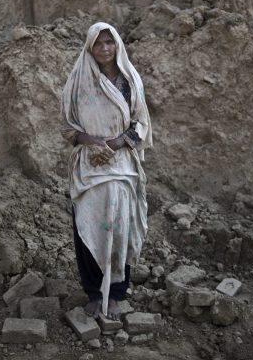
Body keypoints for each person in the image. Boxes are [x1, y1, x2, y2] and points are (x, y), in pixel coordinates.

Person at [60, 22, 152, 320]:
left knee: (119, 229)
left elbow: (140, 123)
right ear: (90, 47)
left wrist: (114, 143)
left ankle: (114, 293)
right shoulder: (78, 80)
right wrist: (91, 142)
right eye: (98, 44)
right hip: (89, 164)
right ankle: (92, 291)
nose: (104, 48)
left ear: (117, 46)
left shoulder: (129, 79)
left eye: (109, 42)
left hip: (121, 163)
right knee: (87, 228)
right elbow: (67, 126)